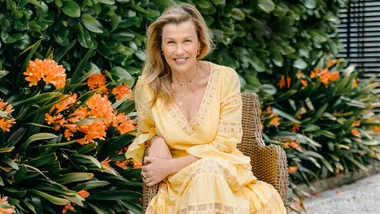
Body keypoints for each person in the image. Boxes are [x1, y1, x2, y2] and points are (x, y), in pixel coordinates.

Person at [125, 3, 286, 213]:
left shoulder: (225, 78)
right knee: (204, 175)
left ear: (199, 44)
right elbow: (145, 132)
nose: (179, 51)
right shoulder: (148, 87)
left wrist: (170, 166)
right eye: (171, 42)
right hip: (181, 183)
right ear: (161, 47)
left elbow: (225, 144)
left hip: (225, 172)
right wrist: (156, 140)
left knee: (207, 171)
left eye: (187, 41)